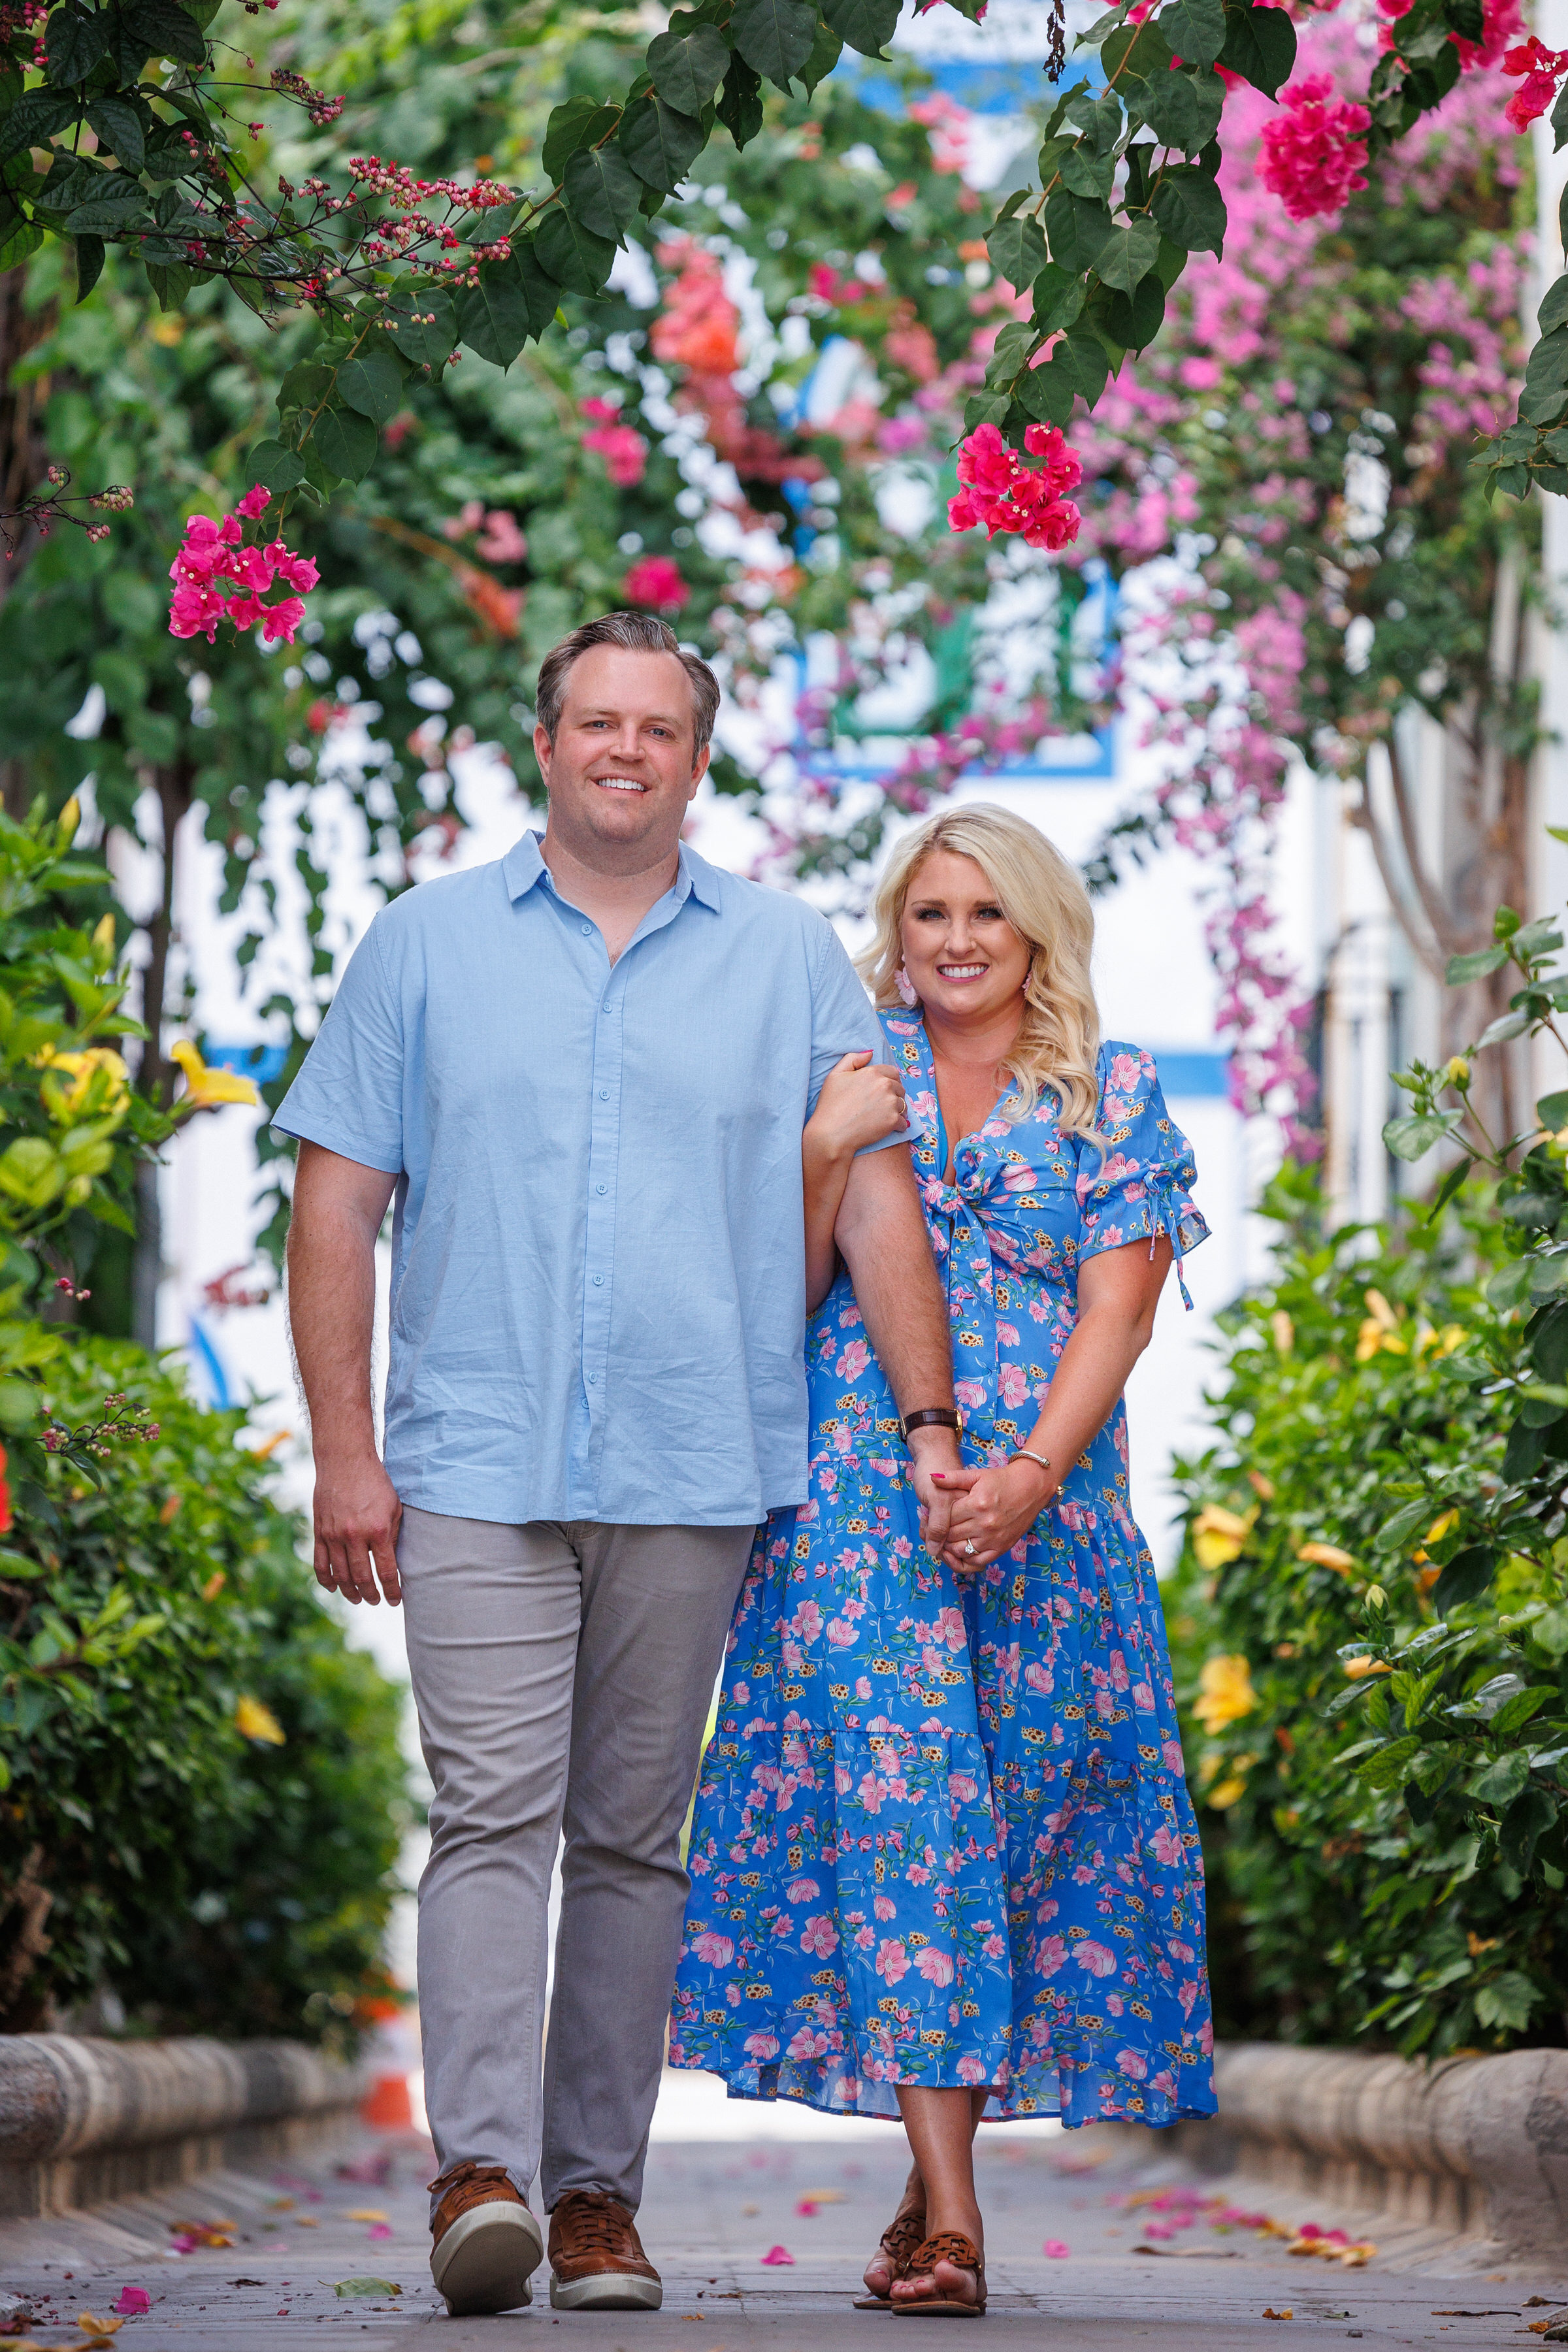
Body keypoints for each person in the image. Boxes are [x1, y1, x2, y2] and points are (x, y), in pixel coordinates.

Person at [274, 613, 967, 2319]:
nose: (625, 751)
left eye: (658, 728)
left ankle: (597, 2195)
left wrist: (932, 1425)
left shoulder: (790, 957)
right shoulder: (425, 948)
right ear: (548, 742)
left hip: (697, 1462)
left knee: (636, 1838)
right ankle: (483, 2173)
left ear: (697, 757)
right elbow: (337, 1207)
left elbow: (871, 1189)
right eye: (597, 721)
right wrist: (345, 1457)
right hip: (475, 1463)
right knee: (493, 1810)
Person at [670, 803, 1217, 2319]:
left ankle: (929, 2178)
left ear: (1038, 927)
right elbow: (762, 1293)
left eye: (986, 912)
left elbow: (1120, 1309)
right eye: (929, 915)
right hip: (864, 1508)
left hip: (1055, 1507)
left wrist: (1032, 1475)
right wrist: (818, 1151)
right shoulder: (857, 1077)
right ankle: (963, 2224)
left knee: (1026, 1842)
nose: (958, 940)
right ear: (894, 934)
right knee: (908, 1824)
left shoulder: (1109, 1090)